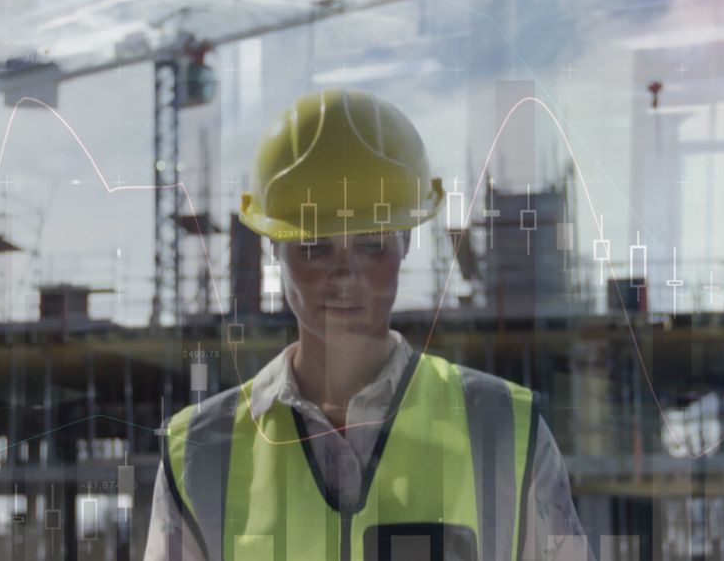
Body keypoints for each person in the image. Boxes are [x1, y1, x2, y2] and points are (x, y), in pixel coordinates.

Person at [145, 88, 592, 561]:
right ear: (275, 250)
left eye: (371, 243)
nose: (345, 275)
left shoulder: (505, 430)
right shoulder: (199, 452)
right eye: (315, 247)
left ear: (405, 244)